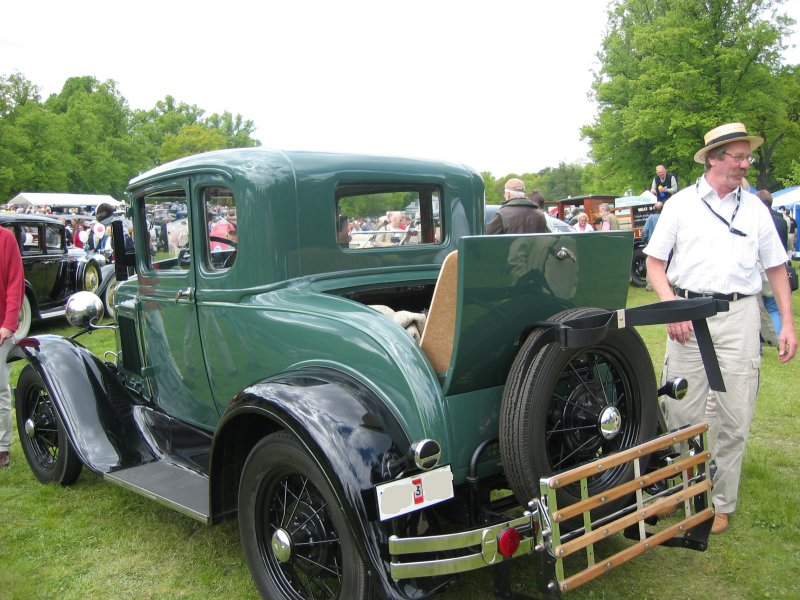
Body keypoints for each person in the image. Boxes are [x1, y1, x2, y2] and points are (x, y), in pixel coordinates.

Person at [644, 122, 797, 535]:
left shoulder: (756, 209)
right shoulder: (679, 205)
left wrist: (788, 324)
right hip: (688, 315)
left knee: (734, 414)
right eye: (738, 157)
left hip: (740, 318)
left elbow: (777, 268)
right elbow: (655, 263)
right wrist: (670, 305)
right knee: (679, 410)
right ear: (713, 158)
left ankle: (720, 501)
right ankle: (676, 492)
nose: (745, 165)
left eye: (747, 157)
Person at [0, 224, 25, 468]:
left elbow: (15, 283)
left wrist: (8, 323)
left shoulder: (5, 238)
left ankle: (1, 447)